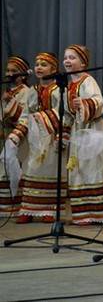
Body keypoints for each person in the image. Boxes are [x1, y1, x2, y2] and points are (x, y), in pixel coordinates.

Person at [63, 45, 103, 224]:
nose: (67, 61)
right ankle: (83, 214)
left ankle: (98, 214)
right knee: (79, 170)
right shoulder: (68, 85)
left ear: (83, 63)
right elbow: (67, 112)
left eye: (72, 58)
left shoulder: (88, 80)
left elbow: (99, 102)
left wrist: (84, 104)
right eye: (66, 58)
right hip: (78, 131)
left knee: (93, 168)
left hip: (92, 130)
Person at [10, 52, 64, 223]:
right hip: (34, 138)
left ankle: (49, 209)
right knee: (31, 169)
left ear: (54, 69)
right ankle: (28, 208)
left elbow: (63, 113)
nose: (39, 67)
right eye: (37, 64)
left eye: (44, 65)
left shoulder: (58, 90)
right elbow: (26, 114)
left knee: (50, 170)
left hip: (51, 136)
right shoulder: (33, 91)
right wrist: (17, 133)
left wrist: (41, 118)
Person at [0, 56, 30, 216]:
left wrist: (10, 102)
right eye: (8, 70)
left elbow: (25, 114)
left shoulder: (26, 91)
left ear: (23, 75)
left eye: (14, 71)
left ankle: (14, 205)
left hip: (19, 136)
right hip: (5, 133)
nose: (9, 74)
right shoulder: (8, 91)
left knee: (13, 167)